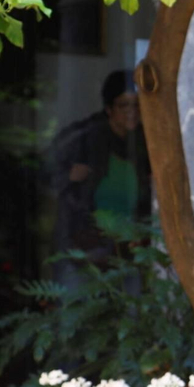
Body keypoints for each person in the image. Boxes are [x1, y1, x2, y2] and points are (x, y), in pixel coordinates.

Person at [47, 70, 151, 273]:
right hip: (83, 250)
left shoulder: (146, 143)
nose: (132, 111)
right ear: (109, 108)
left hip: (128, 252)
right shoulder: (84, 138)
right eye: (124, 104)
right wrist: (68, 175)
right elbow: (44, 171)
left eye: (137, 104)